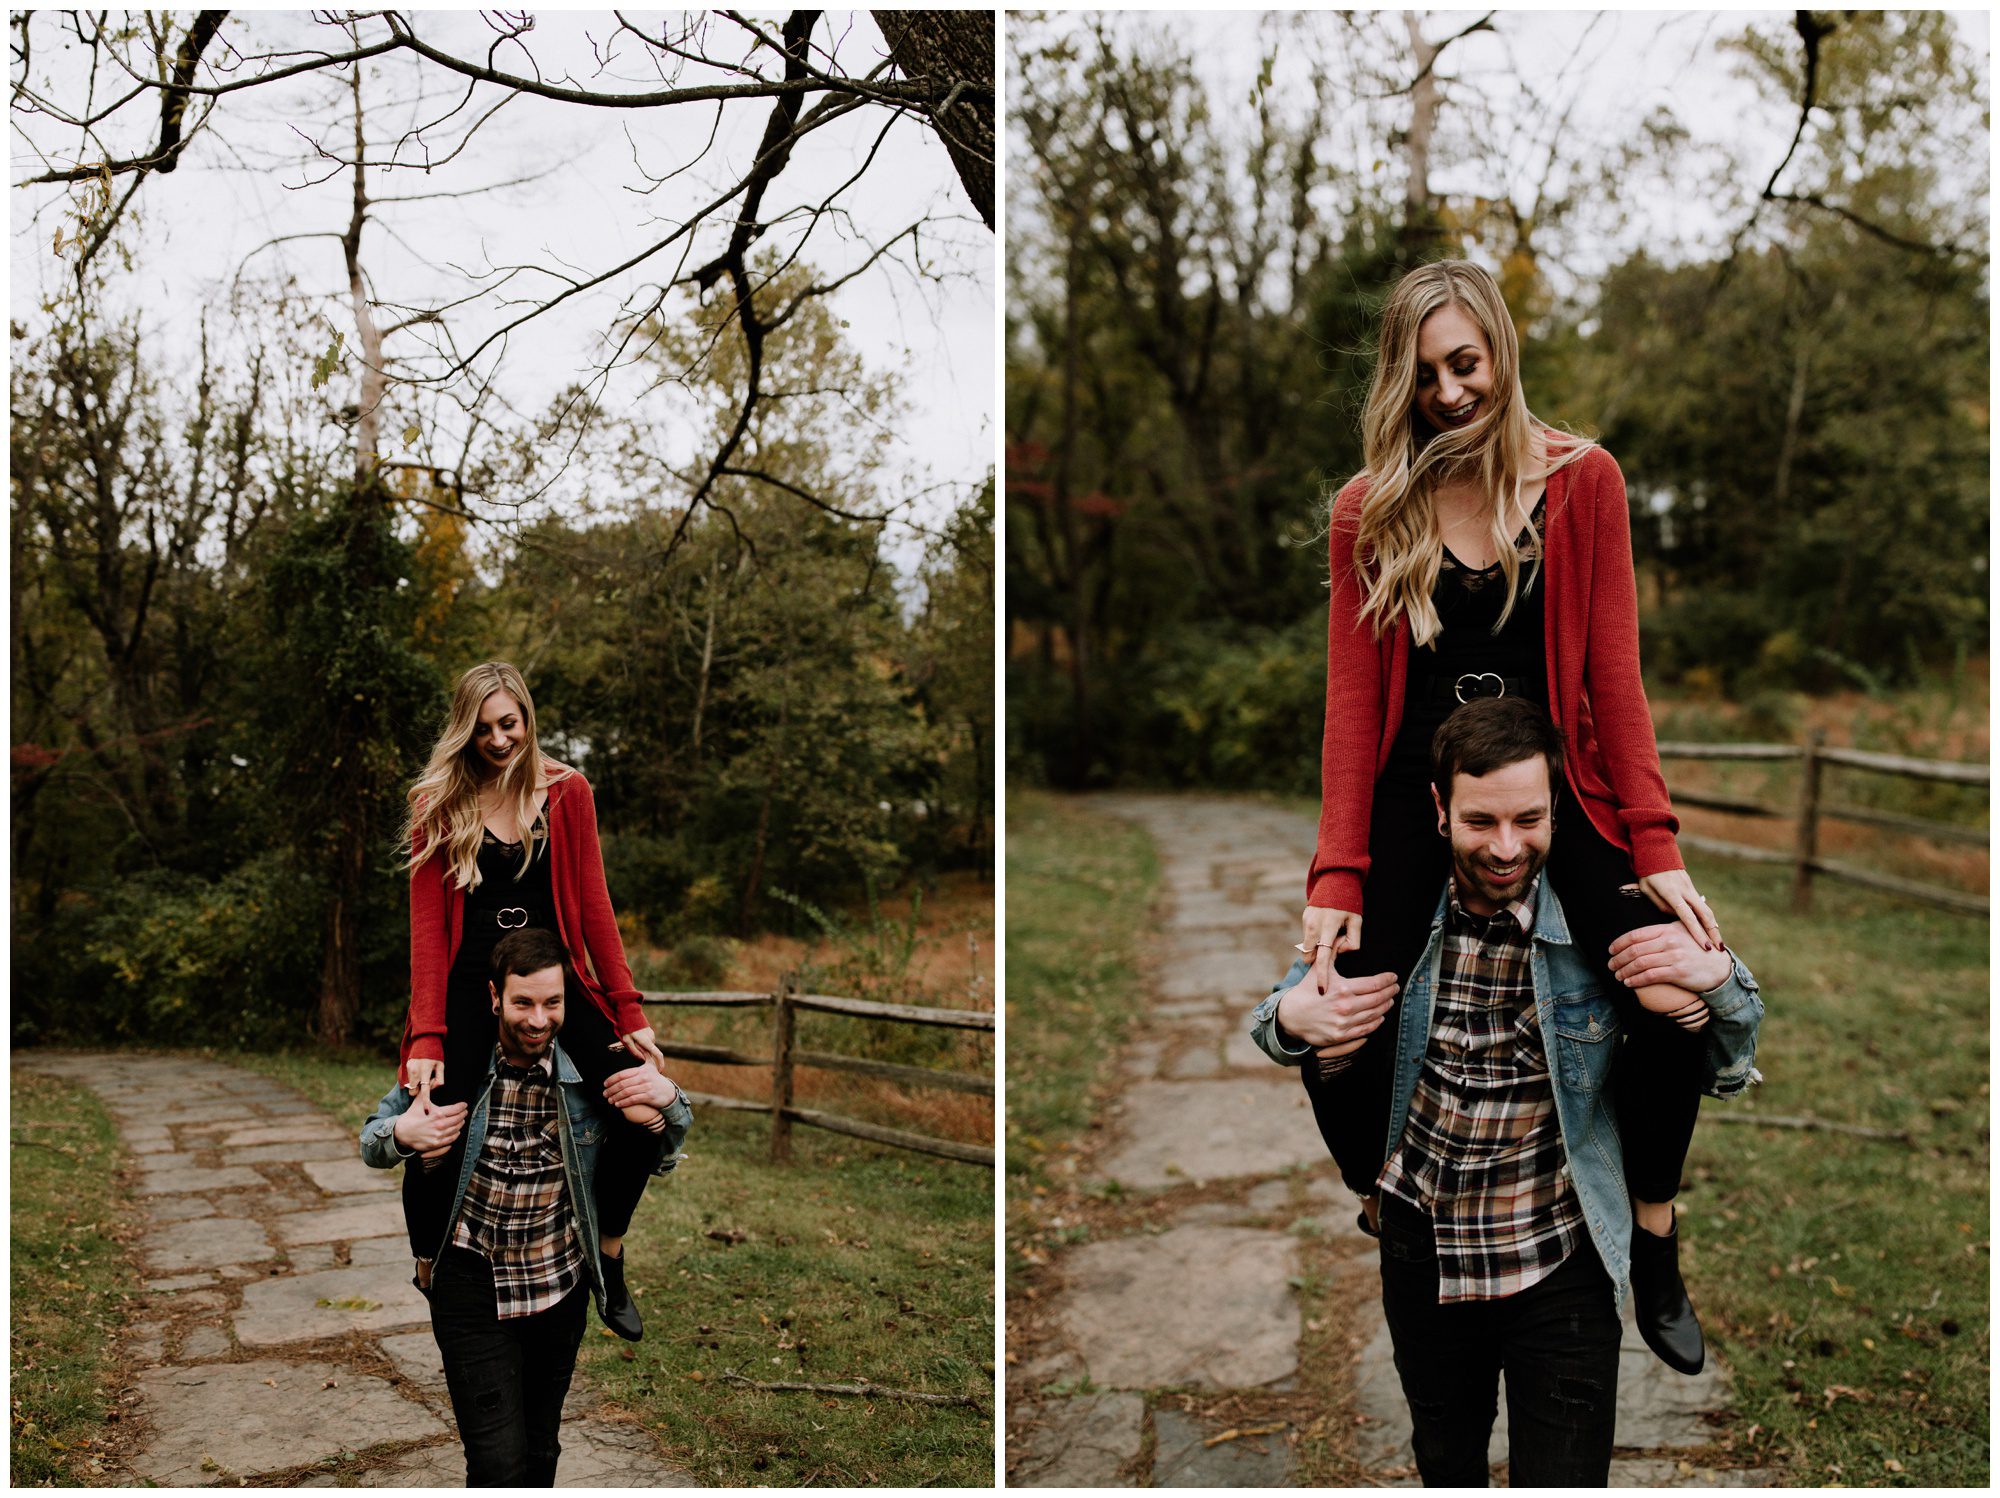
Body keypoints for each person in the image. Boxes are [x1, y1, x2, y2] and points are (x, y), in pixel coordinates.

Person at [1297, 259, 1725, 1374]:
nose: (1447, 392)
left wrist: (1655, 843)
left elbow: (1615, 682)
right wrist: (1336, 876)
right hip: (1411, 802)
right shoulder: (1368, 508)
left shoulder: (1584, 483)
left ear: (1499, 352)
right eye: (1424, 371)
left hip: (1555, 796)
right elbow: (1351, 709)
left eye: (1464, 364)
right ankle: (1382, 1198)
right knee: (1332, 1020)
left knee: (1672, 995)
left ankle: (1653, 1231)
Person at [1252, 698, 1762, 1487]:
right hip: (1425, 1252)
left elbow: (1728, 1051)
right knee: (1448, 1466)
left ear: (1557, 804)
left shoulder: (1602, 914)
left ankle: (1659, 1238)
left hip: (1559, 1254)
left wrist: (1719, 978)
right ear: (1439, 809)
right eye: (1480, 821)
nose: (1505, 847)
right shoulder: (1392, 912)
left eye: (1528, 819)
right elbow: (1277, 1016)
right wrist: (1294, 1018)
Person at [399, 660, 669, 1339]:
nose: (498, 740)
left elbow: (596, 905)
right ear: (466, 729)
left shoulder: (568, 792)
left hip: (555, 982)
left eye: (509, 724)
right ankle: (431, 1266)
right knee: (435, 1137)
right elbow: (428, 931)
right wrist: (427, 1035)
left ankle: (608, 1256)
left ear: (527, 717)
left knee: (643, 1115)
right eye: (483, 728)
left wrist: (628, 1010)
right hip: (469, 988)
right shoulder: (440, 803)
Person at [362, 927, 689, 1487]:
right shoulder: (452, 1067)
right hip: (470, 1278)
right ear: (495, 997)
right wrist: (404, 1132)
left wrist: (670, 1099)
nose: (538, 1019)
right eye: (523, 1003)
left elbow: (657, 1151)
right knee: (496, 1463)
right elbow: (372, 1140)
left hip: (558, 1282)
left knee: (539, 1453)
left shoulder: (588, 1074)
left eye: (552, 1003)